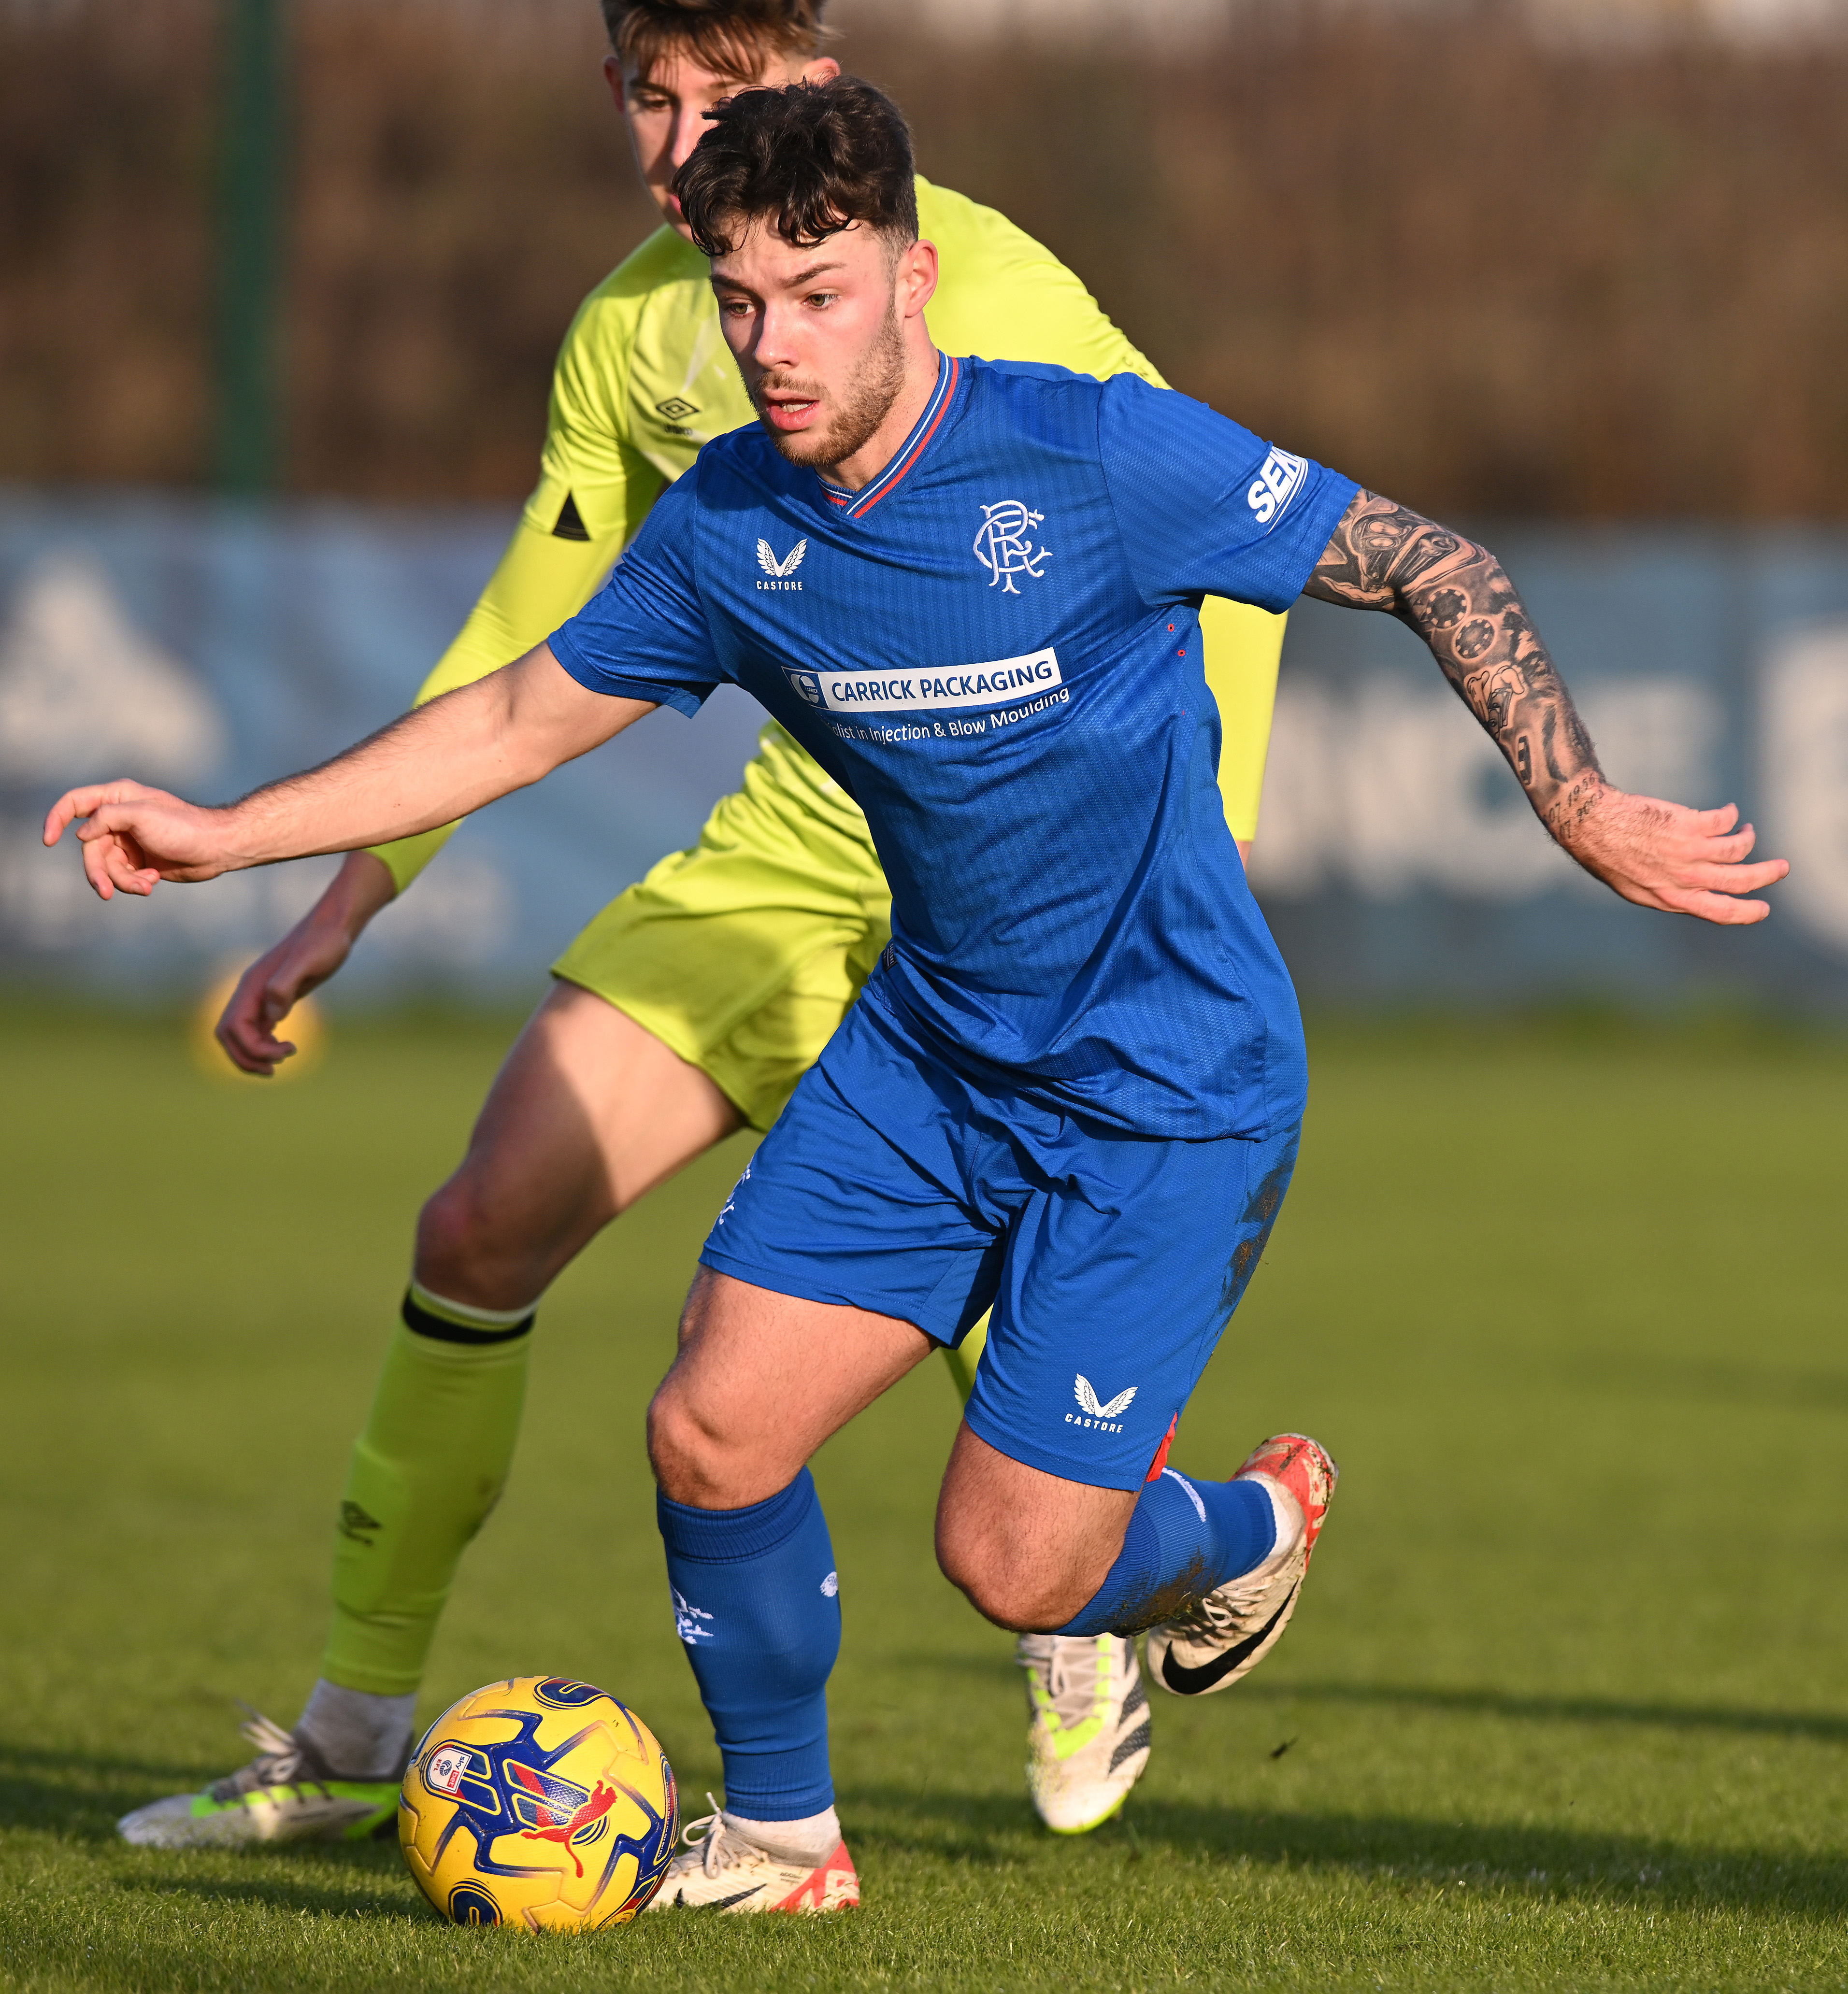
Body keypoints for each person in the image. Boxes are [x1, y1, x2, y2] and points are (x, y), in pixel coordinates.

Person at [48, 77, 1783, 1914]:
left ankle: (1252, 1521)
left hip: (1169, 1087)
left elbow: (1431, 560)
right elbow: (506, 720)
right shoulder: (728, 523)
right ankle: (788, 1842)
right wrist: (232, 834)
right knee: (711, 1431)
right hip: (932, 1056)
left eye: (815, 293)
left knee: (1019, 1567)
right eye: (738, 300)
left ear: (911, 278)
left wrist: (1576, 798)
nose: (772, 346)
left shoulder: (1098, 456)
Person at [116, 0, 1290, 1852]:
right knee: (479, 1221)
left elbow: (1214, 545)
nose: (681, 144)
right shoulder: (631, 330)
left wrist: (1168, 878)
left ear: (820, 93)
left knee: (979, 1337)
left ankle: (1084, 1591)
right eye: (653, 99)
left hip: (1011, 908)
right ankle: (354, 1736)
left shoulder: (966, 279)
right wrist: (339, 893)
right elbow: (523, 653)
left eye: (725, 98)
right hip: (780, 867)